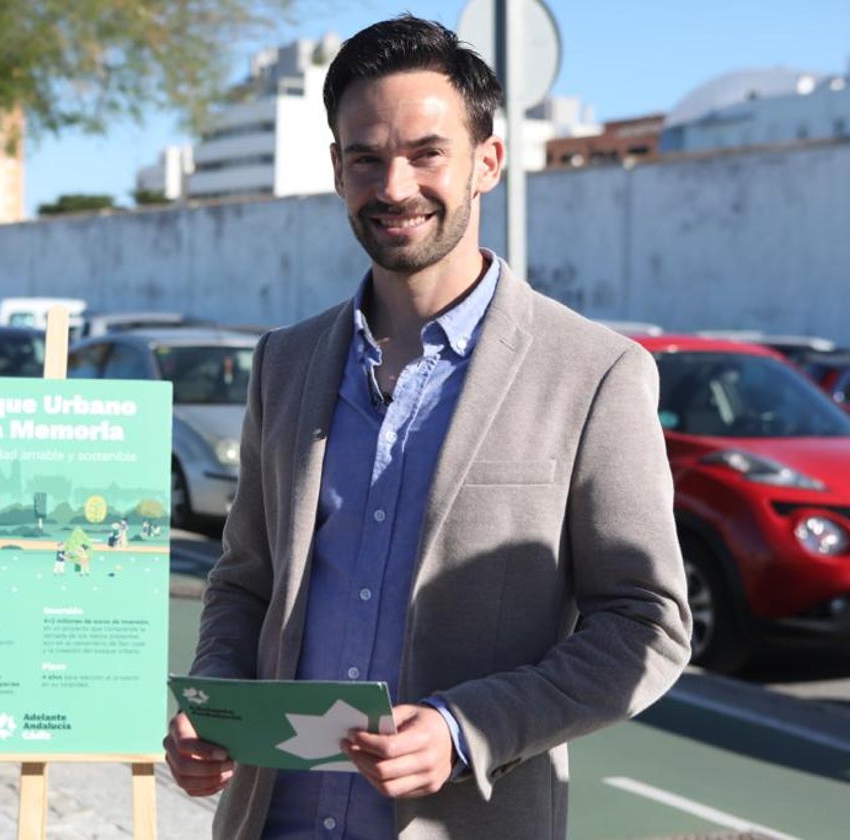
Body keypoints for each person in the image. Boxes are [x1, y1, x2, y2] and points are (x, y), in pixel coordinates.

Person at [163, 15, 691, 840]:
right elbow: (244, 581)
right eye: (366, 157)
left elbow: (646, 624)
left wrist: (465, 729)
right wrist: (215, 704)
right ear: (338, 171)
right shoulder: (286, 364)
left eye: (426, 152)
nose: (395, 184)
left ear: (488, 162)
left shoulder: (596, 374)